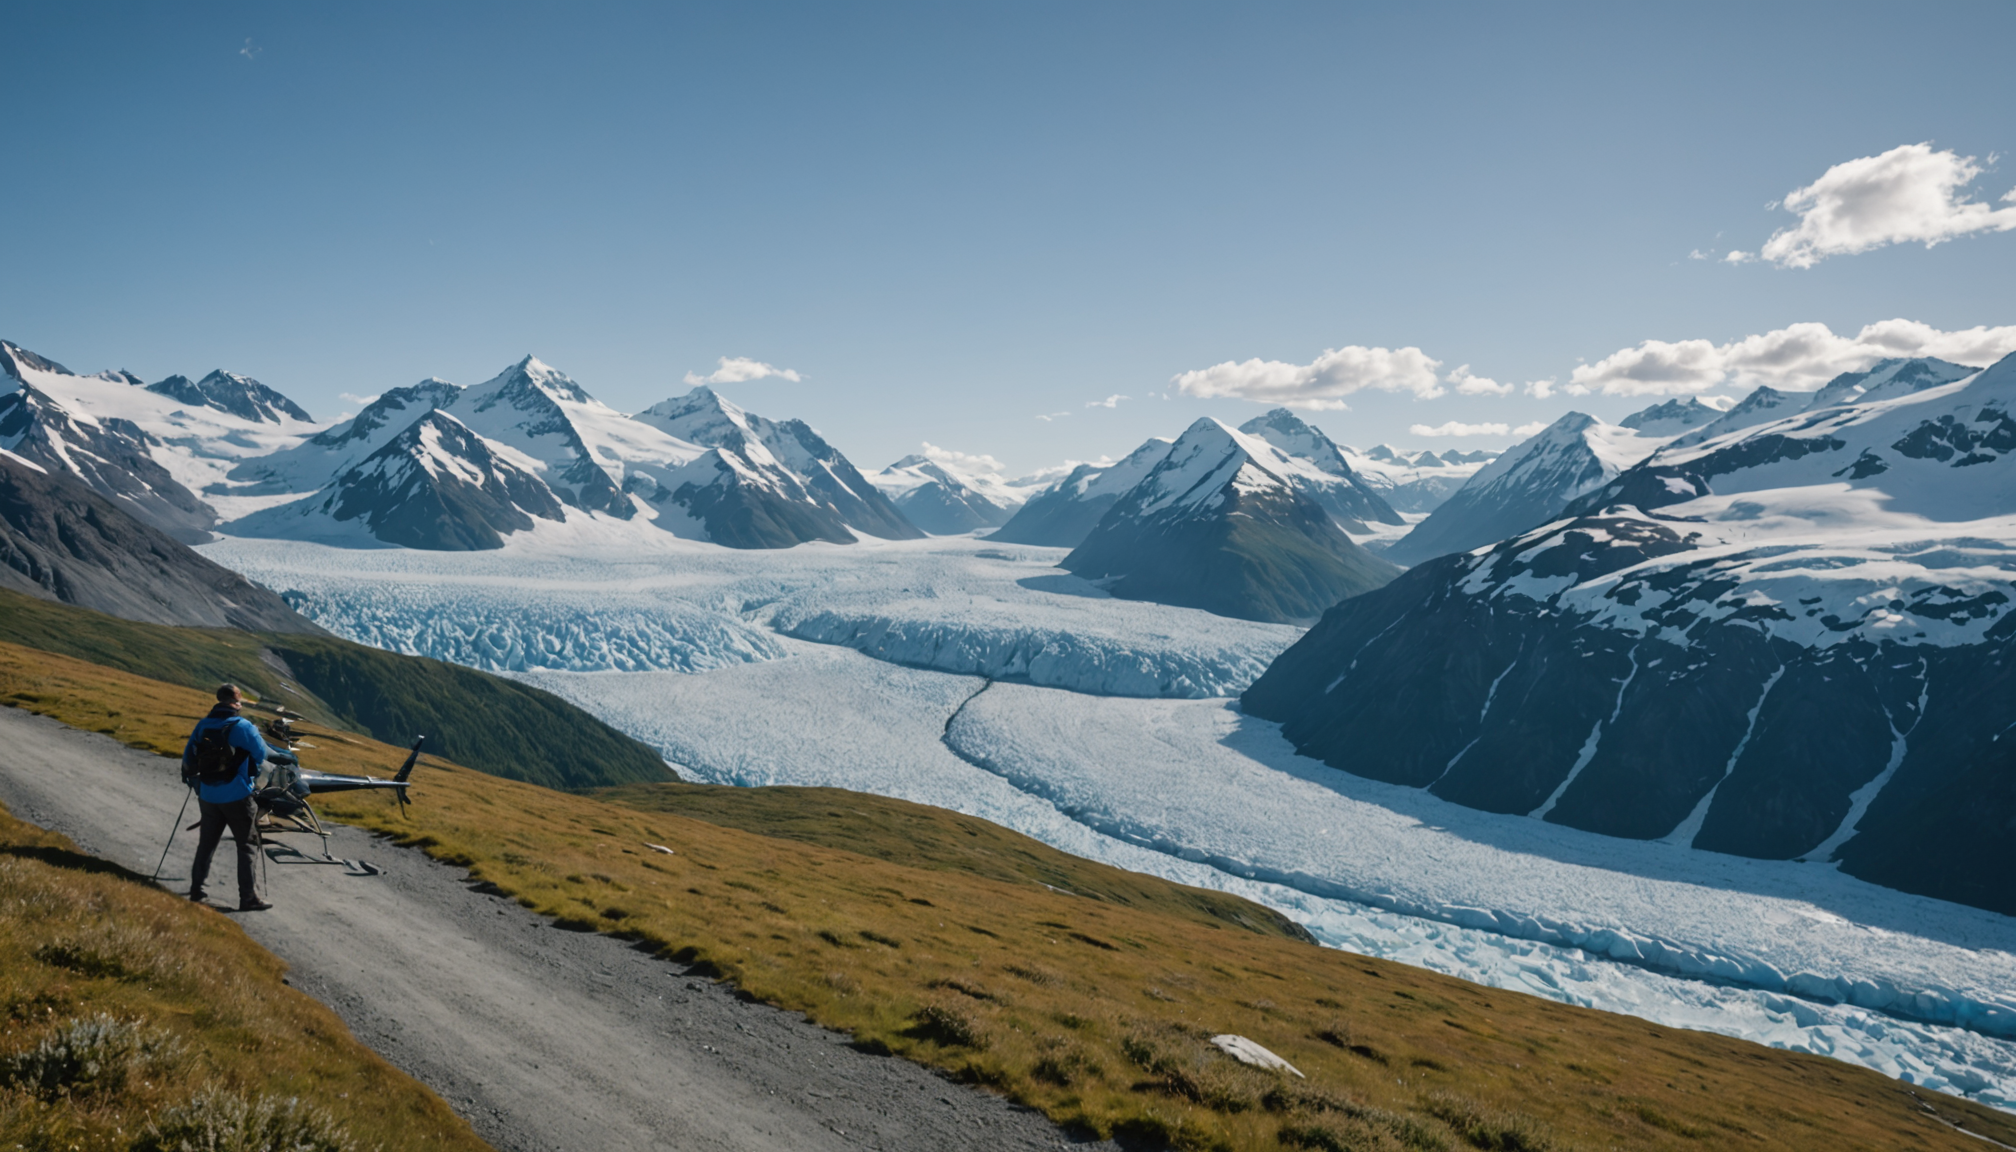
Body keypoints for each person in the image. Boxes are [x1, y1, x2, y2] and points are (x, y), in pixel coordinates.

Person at [181, 683, 274, 912]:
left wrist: (197, 784)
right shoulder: (243, 726)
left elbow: (188, 757)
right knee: (247, 846)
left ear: (218, 700)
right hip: (237, 795)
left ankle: (197, 891)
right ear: (237, 701)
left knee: (206, 844)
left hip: (208, 794)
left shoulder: (203, 725)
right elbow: (261, 754)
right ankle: (248, 898)